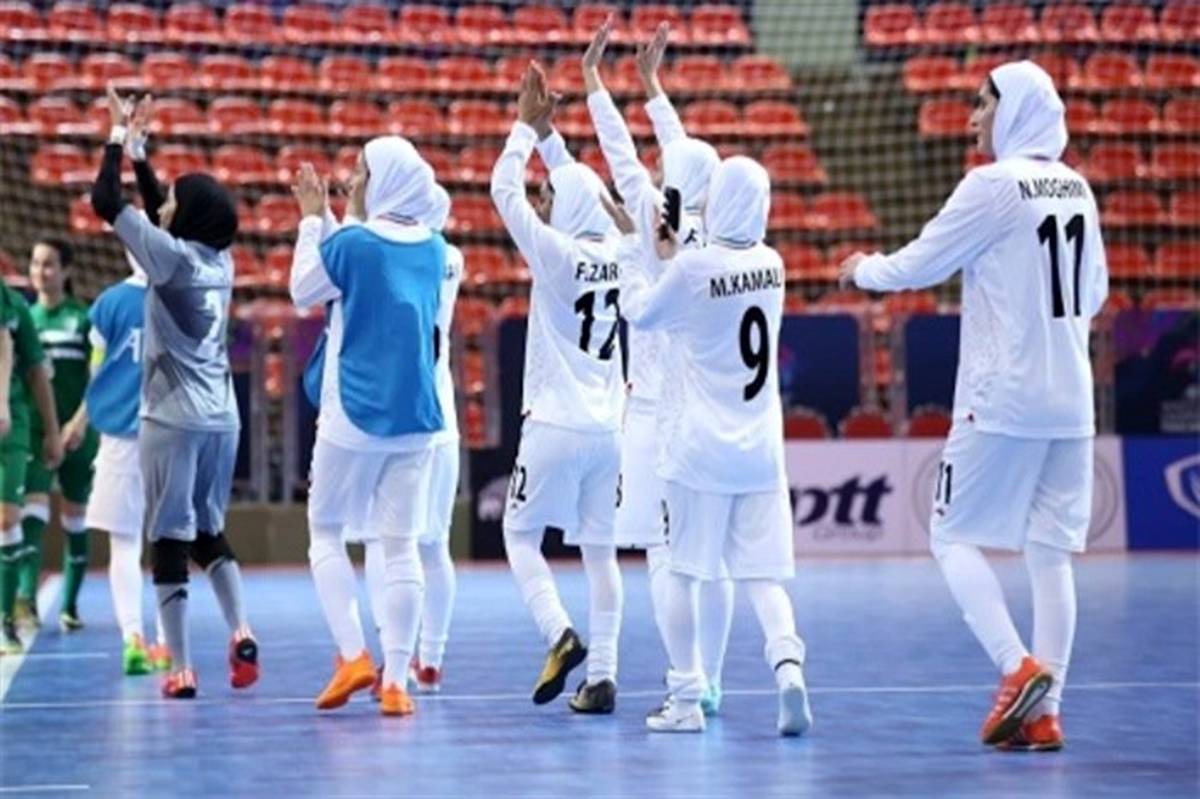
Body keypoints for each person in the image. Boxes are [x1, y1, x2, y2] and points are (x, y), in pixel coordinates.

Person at [837, 61, 1108, 752]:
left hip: (1003, 396)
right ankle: (1047, 712)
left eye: (983, 103)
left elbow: (921, 263)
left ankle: (1016, 667)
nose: (971, 118)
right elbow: (1097, 293)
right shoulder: (1078, 188)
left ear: (1014, 109)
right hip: (1072, 401)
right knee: (1051, 554)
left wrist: (863, 268)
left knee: (948, 534)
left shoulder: (992, 185)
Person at [620, 156, 812, 736]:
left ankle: (684, 701)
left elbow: (641, 313)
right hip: (760, 451)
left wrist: (638, 256)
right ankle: (789, 670)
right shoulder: (772, 264)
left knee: (683, 572)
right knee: (762, 576)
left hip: (699, 449)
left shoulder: (693, 268)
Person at [581, 18, 734, 716]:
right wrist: (652, 87)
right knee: (713, 555)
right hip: (708, 407)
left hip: (650, 412)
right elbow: (685, 157)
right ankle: (712, 680)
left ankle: (685, 681)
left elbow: (621, 153)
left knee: (663, 554)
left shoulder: (649, 217)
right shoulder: (720, 230)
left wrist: (594, 82)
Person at [90, 87, 258, 699]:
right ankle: (241, 630)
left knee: (167, 540)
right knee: (209, 530)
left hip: (171, 418)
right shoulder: (220, 260)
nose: (165, 205)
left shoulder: (170, 260)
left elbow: (105, 201)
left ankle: (182, 667)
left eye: (175, 201)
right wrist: (142, 155)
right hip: (222, 418)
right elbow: (164, 208)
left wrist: (116, 137)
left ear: (187, 218)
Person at [290, 137, 445, 717]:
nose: (353, 180)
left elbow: (305, 288)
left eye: (361, 171)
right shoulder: (434, 246)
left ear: (384, 181)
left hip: (353, 412)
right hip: (417, 418)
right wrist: (338, 220)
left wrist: (313, 221)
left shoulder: (353, 243)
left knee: (325, 530)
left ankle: (354, 654)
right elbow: (364, 267)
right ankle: (396, 682)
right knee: (400, 547)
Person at [491, 63, 625, 714]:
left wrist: (524, 127)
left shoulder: (554, 253)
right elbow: (578, 187)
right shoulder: (624, 249)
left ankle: (558, 632)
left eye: (548, 195)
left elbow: (502, 190)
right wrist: (550, 138)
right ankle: (603, 677)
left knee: (519, 537)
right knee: (601, 554)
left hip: (552, 422)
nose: (542, 201)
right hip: (609, 429)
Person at [82, 247, 170, 675]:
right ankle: (168, 644)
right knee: (170, 542)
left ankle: (133, 639)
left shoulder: (109, 303)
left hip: (120, 435)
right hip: (171, 433)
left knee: (125, 543)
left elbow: (95, 371)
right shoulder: (181, 296)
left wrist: (87, 415)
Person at [16, 236, 99, 633]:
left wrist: (78, 423)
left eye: (48, 264)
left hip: (77, 434)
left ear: (66, 270)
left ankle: (69, 607)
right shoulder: (24, 318)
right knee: (30, 514)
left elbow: (97, 378)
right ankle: (25, 602)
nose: (40, 272)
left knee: (75, 520)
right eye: (35, 263)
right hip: (34, 433)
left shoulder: (82, 319)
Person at [0, 278, 62, 654]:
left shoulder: (14, 308)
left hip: (12, 427)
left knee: (8, 519)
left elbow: (37, 373)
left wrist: (52, 431)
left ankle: (6, 619)